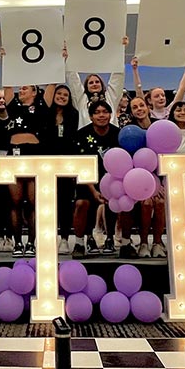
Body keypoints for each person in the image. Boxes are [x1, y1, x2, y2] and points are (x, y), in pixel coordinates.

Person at [0, 83, 54, 256]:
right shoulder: (13, 105)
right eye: (20, 88)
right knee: (15, 202)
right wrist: (6, 59)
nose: (20, 90)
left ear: (34, 92)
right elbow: (7, 85)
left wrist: (61, 60)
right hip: (14, 154)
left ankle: (31, 243)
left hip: (35, 154)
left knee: (33, 202)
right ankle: (17, 243)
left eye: (25, 88)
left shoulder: (42, 106)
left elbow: (52, 85)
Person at [72, 99, 120, 256]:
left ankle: (112, 239)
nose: (101, 115)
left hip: (113, 181)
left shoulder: (118, 135)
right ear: (91, 116)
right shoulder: (81, 135)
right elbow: (79, 166)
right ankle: (80, 242)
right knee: (81, 203)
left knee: (118, 204)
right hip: (88, 182)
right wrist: (93, 191)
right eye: (97, 112)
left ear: (110, 115)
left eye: (105, 112)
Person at [121, 96, 165, 258]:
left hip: (158, 177)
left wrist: (160, 183)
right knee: (146, 203)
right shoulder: (129, 132)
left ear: (147, 107)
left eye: (141, 105)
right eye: (135, 107)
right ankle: (144, 243)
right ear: (131, 112)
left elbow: (164, 156)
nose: (139, 109)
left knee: (160, 201)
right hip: (136, 179)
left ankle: (158, 243)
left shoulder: (158, 127)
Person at [42, 84, 80, 253]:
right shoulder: (45, 113)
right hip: (45, 164)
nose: (62, 97)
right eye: (59, 94)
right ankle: (48, 238)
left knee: (65, 202)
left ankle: (64, 238)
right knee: (48, 203)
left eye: (65, 95)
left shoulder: (74, 115)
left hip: (66, 164)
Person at [64, 36, 128, 128]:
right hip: (87, 139)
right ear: (86, 86)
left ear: (102, 85)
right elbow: (73, 79)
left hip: (110, 139)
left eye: (97, 82)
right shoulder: (82, 100)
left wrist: (120, 50)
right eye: (91, 83)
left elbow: (118, 78)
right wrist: (67, 58)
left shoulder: (110, 98)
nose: (94, 84)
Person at [131, 52, 185, 120]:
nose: (161, 98)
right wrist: (135, 70)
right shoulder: (148, 112)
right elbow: (139, 90)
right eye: (157, 96)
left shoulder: (170, 110)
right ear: (150, 100)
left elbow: (182, 89)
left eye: (163, 95)